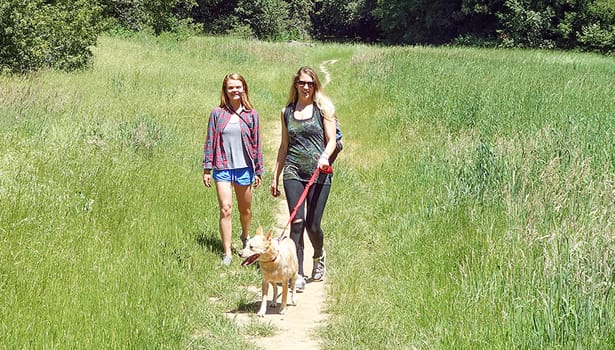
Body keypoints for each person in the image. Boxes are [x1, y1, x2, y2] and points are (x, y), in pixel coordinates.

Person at [270, 66, 338, 292]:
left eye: (310, 83)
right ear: (295, 84)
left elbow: (331, 140)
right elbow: (284, 146)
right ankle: (297, 274)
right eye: (302, 83)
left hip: (319, 172)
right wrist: (275, 176)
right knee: (296, 223)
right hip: (293, 171)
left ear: (315, 85)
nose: (305, 87)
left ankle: (318, 255)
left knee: (313, 225)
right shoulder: (287, 112)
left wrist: (325, 157)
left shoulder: (323, 110)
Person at [202, 73, 264, 266]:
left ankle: (245, 236)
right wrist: (207, 168)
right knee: (226, 209)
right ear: (225, 91)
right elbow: (210, 141)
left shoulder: (251, 115)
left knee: (245, 210)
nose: (235, 90)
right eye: (231, 87)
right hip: (222, 167)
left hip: (245, 168)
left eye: (238, 87)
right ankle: (227, 252)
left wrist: (259, 170)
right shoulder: (217, 114)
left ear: (244, 88)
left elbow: (257, 144)